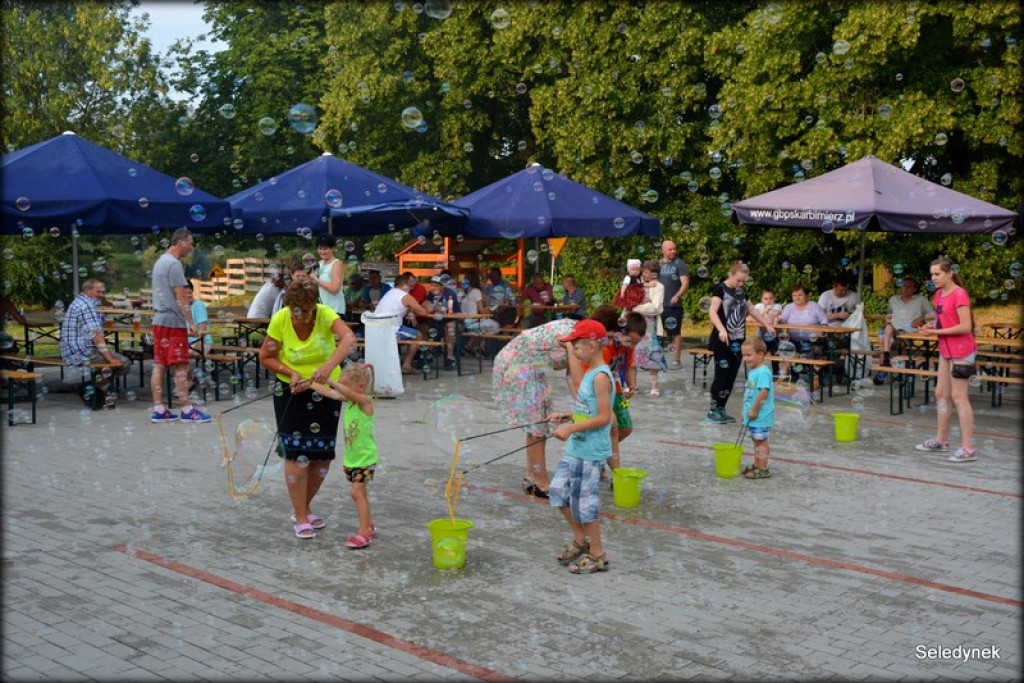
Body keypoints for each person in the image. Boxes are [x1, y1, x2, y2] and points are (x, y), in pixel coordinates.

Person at [258, 279, 358, 539]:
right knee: (295, 454)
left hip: (325, 391)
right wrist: (291, 372)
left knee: (322, 454)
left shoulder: (325, 315)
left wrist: (328, 367)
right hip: (290, 392)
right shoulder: (280, 319)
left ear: (315, 305)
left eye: (306, 310)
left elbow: (349, 338)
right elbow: (266, 357)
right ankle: (301, 516)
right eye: (295, 310)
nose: (301, 315)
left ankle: (304, 507)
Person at [547, 318, 614, 575]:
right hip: (576, 447)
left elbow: (605, 417)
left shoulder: (600, 377)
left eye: (576, 346)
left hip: (590, 451)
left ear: (592, 345)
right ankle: (581, 538)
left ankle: (598, 553)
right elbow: (588, 410)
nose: (573, 351)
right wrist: (568, 416)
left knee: (584, 504)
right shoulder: (589, 373)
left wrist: (571, 429)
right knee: (557, 491)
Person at [492, 315, 581, 497]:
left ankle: (531, 476)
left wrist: (582, 403)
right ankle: (540, 482)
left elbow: (572, 377)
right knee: (537, 425)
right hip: (517, 366)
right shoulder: (575, 336)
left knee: (538, 423)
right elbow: (575, 377)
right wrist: (585, 404)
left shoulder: (580, 334)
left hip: (528, 367)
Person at [915, 257, 978, 463]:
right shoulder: (939, 294)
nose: (933, 278)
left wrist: (936, 331)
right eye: (931, 274)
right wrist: (930, 327)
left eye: (937, 274)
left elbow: (965, 326)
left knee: (959, 397)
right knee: (941, 394)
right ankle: (941, 440)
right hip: (946, 350)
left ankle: (968, 449)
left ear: (949, 273)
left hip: (962, 350)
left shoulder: (959, 294)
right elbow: (941, 321)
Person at [150, 228, 208, 424]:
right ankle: (187, 410)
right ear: (181, 242)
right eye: (191, 243)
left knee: (160, 364)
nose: (192, 248)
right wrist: (191, 322)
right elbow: (181, 298)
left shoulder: (160, 261)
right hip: (173, 322)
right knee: (181, 365)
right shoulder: (174, 264)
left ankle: (159, 409)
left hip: (158, 320)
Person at [706, 261, 776, 424]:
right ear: (730, 275)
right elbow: (712, 312)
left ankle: (721, 409)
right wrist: (721, 329)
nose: (741, 284)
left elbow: (752, 310)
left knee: (731, 375)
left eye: (743, 281)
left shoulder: (742, 291)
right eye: (738, 280)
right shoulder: (720, 289)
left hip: (738, 341)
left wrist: (766, 324)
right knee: (721, 375)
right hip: (723, 339)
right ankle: (712, 410)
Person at [325, 363, 378, 548]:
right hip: (352, 459)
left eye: (343, 385)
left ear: (360, 386)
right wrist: (309, 383)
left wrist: (330, 380)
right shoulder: (349, 402)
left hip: (365, 459)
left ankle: (364, 533)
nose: (339, 388)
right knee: (361, 493)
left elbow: (342, 392)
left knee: (356, 493)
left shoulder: (365, 402)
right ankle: (368, 524)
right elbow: (330, 393)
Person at [58, 278, 127, 406]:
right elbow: (97, 336)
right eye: (98, 292)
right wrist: (111, 359)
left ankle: (94, 389)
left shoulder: (79, 302)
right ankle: (92, 389)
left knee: (110, 363)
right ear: (87, 290)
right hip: (81, 352)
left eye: (102, 292)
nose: (101, 295)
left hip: (70, 350)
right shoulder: (87, 306)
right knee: (123, 363)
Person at [373, 273, 432, 374]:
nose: (412, 286)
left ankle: (402, 362)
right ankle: (407, 365)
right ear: (405, 285)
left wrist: (410, 313)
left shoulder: (390, 293)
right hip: (390, 329)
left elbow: (398, 307)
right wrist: (426, 306)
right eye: (410, 284)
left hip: (376, 329)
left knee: (411, 332)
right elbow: (423, 313)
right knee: (418, 335)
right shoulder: (405, 296)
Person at [878, 277, 932, 379]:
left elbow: (932, 315)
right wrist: (887, 321)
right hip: (894, 331)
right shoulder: (893, 299)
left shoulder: (921, 300)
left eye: (908, 287)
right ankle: (886, 362)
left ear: (914, 289)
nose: (905, 289)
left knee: (882, 337)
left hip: (909, 332)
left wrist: (921, 318)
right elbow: (889, 314)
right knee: (886, 330)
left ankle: (884, 368)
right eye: (903, 286)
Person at [631, 259, 668, 396]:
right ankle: (632, 385)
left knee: (653, 353)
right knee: (632, 353)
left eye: (647, 272)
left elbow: (656, 308)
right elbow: (627, 300)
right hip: (634, 322)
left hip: (649, 325)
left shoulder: (659, 287)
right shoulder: (637, 284)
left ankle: (654, 387)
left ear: (654, 274)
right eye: (644, 271)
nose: (644, 274)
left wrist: (636, 308)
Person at [740, 338, 774, 480]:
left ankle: (763, 468)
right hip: (753, 414)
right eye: (743, 355)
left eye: (748, 355)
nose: (745, 359)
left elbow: (764, 392)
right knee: (756, 440)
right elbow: (750, 394)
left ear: (760, 354)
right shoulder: (754, 371)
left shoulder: (763, 372)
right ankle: (757, 465)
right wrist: (744, 412)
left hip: (761, 415)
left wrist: (754, 410)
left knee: (761, 441)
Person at [659, 240, 690, 369]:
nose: (673, 251)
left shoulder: (679, 263)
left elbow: (685, 283)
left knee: (675, 332)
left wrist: (677, 296)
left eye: (674, 249)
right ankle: (654, 359)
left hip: (674, 306)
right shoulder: (658, 264)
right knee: (657, 332)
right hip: (659, 305)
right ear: (663, 251)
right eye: (670, 249)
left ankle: (676, 360)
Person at [424, 275, 460, 370]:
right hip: (437, 322)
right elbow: (425, 305)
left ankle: (450, 357)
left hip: (453, 321)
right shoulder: (431, 294)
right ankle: (426, 354)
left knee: (449, 327)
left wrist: (433, 308)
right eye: (432, 285)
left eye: (436, 285)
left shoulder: (449, 293)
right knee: (422, 325)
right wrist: (431, 307)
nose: (433, 288)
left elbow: (445, 309)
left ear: (442, 286)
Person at [750, 289, 783, 375]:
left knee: (775, 354)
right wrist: (765, 310)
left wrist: (760, 317)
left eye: (770, 298)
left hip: (774, 336)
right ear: (761, 299)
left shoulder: (777, 306)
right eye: (766, 298)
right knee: (758, 354)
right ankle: (756, 371)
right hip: (761, 336)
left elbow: (774, 317)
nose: (768, 301)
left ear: (774, 298)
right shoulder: (758, 306)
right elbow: (751, 317)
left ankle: (776, 374)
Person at [311, 236, 346, 317]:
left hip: (334, 309)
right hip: (320, 308)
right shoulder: (318, 263)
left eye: (325, 249)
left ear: (332, 249)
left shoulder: (337, 263)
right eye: (320, 248)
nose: (322, 252)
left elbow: (335, 289)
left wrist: (315, 279)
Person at [458, 272, 487, 356]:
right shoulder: (476, 291)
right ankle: (471, 347)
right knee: (488, 325)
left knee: (484, 324)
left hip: (463, 320)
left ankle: (477, 348)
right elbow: (481, 308)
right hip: (472, 320)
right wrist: (487, 315)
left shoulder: (463, 292)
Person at [185, 280, 212, 356]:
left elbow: (202, 328)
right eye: (185, 293)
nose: (188, 295)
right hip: (186, 343)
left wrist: (198, 345)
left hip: (201, 343)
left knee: (177, 355)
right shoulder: (182, 307)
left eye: (189, 292)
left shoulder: (198, 305)